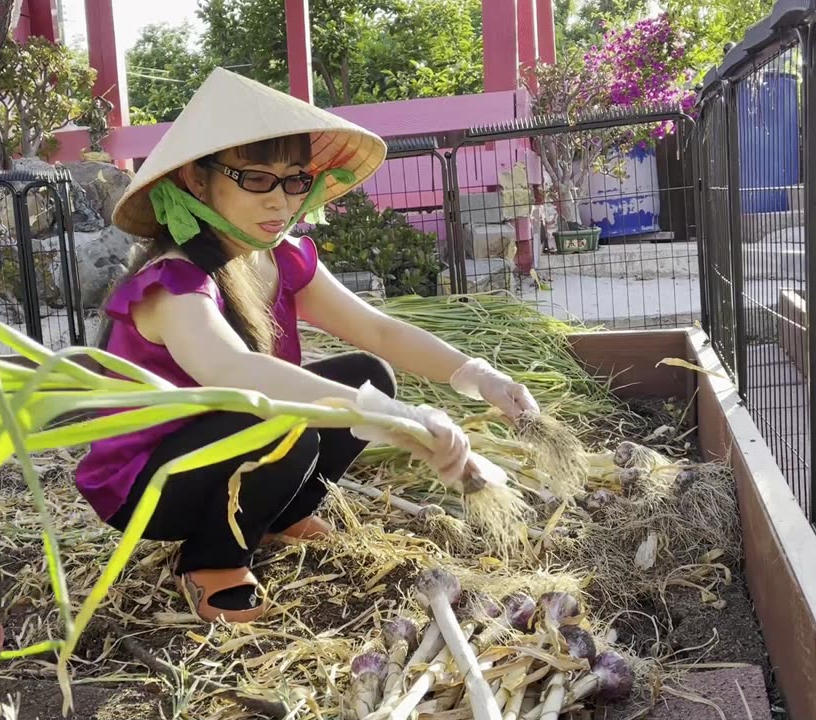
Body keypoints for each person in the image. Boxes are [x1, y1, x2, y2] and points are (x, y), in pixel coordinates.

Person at [75, 68, 539, 623]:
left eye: (294, 179)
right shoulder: (174, 282)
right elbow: (232, 368)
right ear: (198, 182)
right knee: (283, 422)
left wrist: (478, 376)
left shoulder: (281, 257)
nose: (280, 199)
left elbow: (379, 330)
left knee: (370, 372)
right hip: (152, 482)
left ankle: (277, 514)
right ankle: (210, 560)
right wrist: (394, 420)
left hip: (230, 442)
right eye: (255, 179)